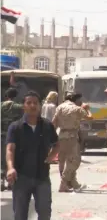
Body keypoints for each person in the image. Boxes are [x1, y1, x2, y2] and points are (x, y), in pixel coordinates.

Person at [6, 91, 59, 220]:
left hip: (42, 177)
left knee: (45, 212)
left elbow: (57, 144)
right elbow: (10, 149)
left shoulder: (47, 126)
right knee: (20, 214)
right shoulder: (15, 127)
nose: (32, 105)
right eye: (29, 103)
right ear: (23, 106)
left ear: (40, 106)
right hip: (21, 177)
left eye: (35, 103)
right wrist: (10, 167)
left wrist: (51, 156)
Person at [52, 92, 93, 192]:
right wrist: (87, 109)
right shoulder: (77, 109)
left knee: (64, 160)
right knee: (75, 161)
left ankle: (73, 183)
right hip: (72, 136)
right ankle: (64, 183)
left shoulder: (60, 107)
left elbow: (54, 123)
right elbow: (90, 118)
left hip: (61, 135)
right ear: (77, 100)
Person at [1, 88, 23, 191]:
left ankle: (1, 181)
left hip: (1, 135)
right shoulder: (19, 107)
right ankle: (10, 182)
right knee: (11, 158)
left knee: (1, 159)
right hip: (14, 136)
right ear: (16, 96)